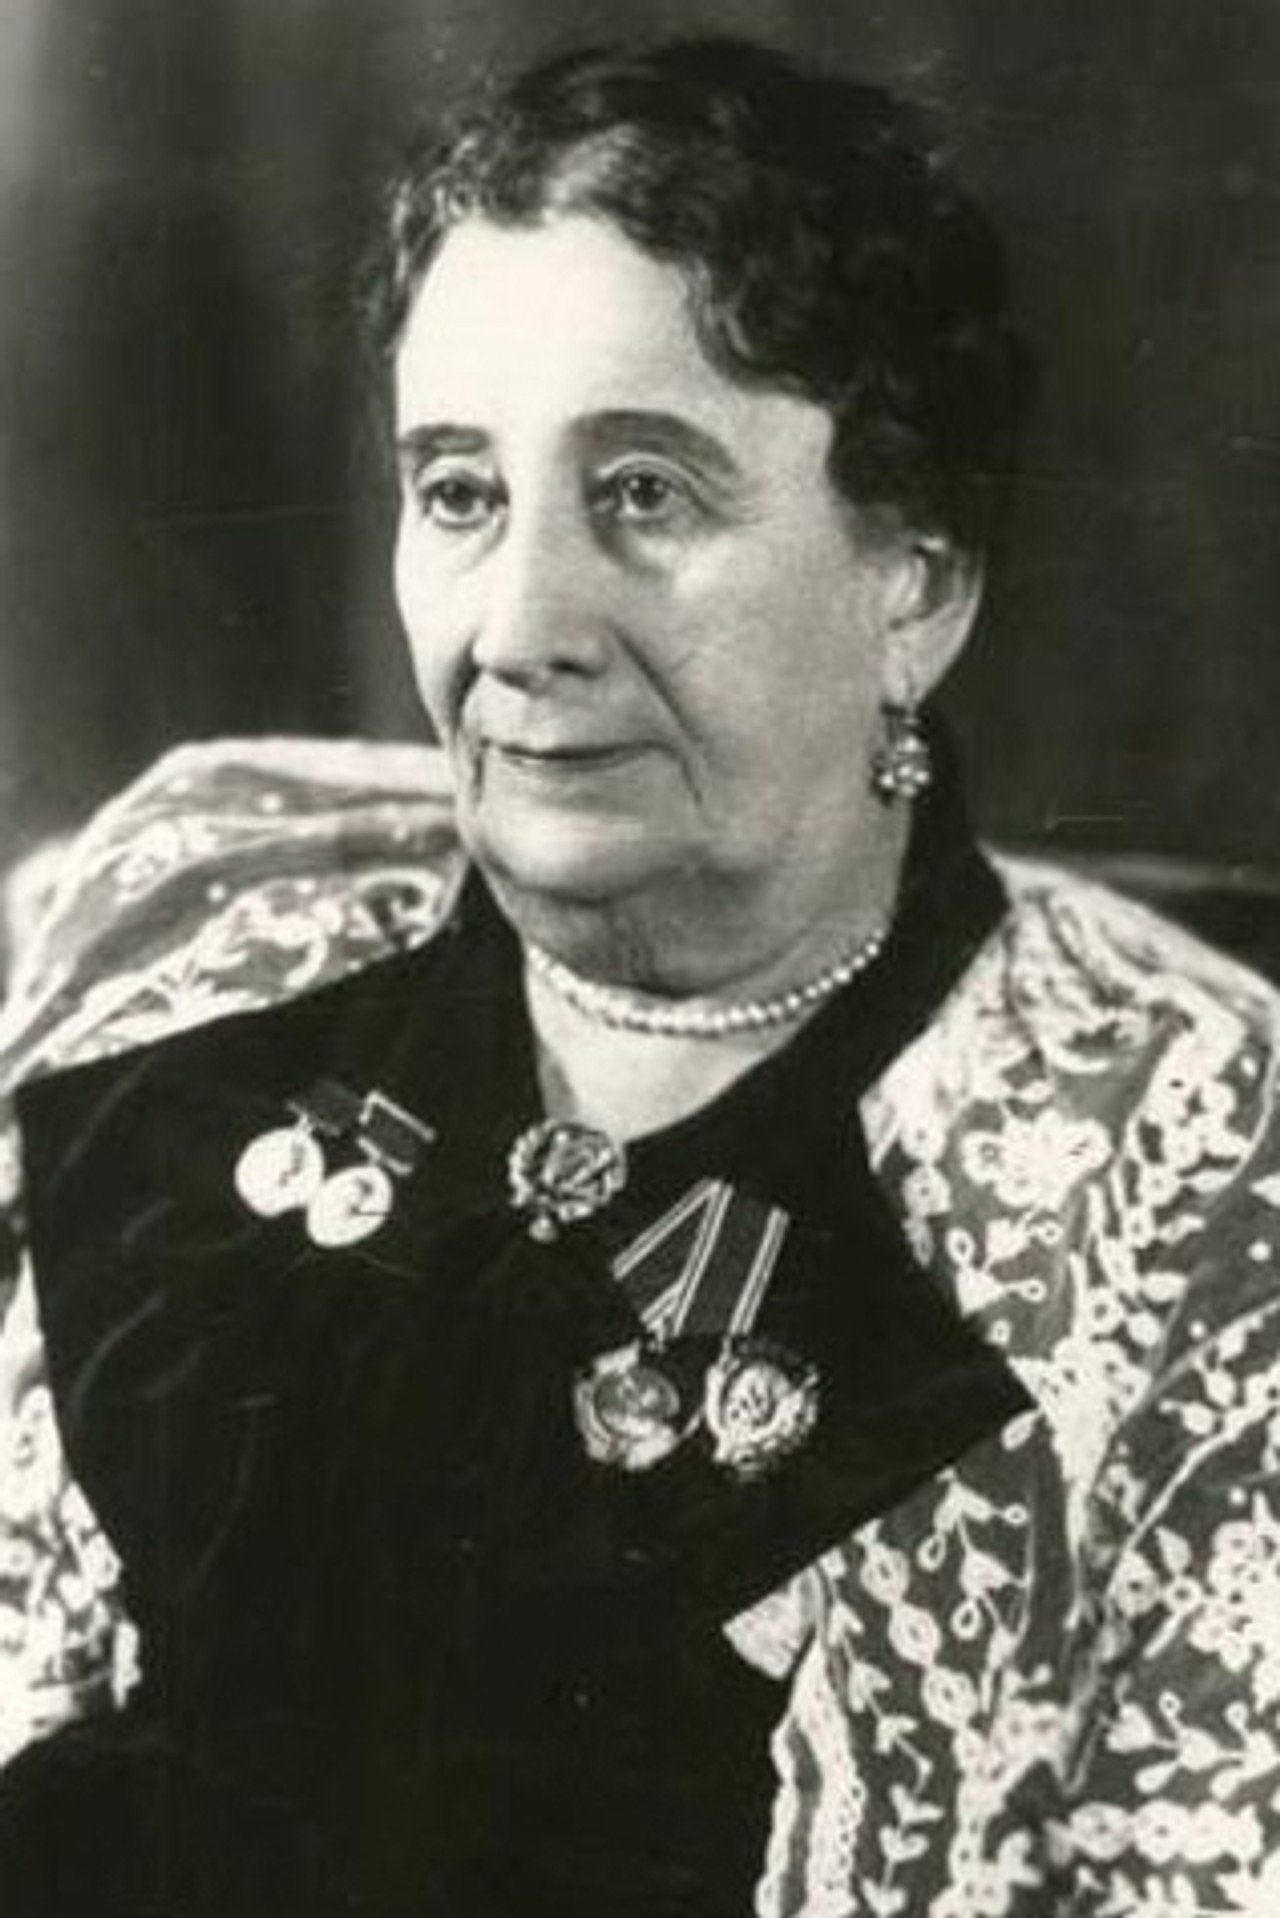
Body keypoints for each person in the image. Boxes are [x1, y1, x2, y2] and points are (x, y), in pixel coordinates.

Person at [1, 33, 1279, 1917]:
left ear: (916, 582)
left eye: (650, 495)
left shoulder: (1203, 1178)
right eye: (459, 493)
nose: (522, 626)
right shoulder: (190, 910)